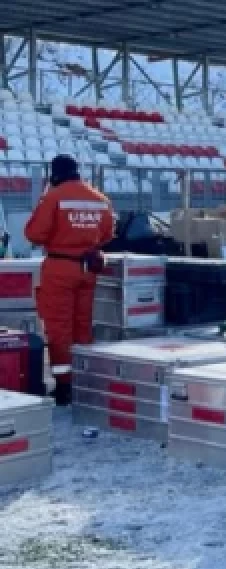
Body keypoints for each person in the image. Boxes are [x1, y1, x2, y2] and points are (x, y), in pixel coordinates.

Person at [24, 155, 114, 406]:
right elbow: (107, 234)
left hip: (60, 268)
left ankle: (64, 387)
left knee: (59, 329)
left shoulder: (53, 197)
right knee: (82, 327)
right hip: (87, 269)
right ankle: (84, 381)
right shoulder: (100, 199)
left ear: (55, 174)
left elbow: (34, 234)